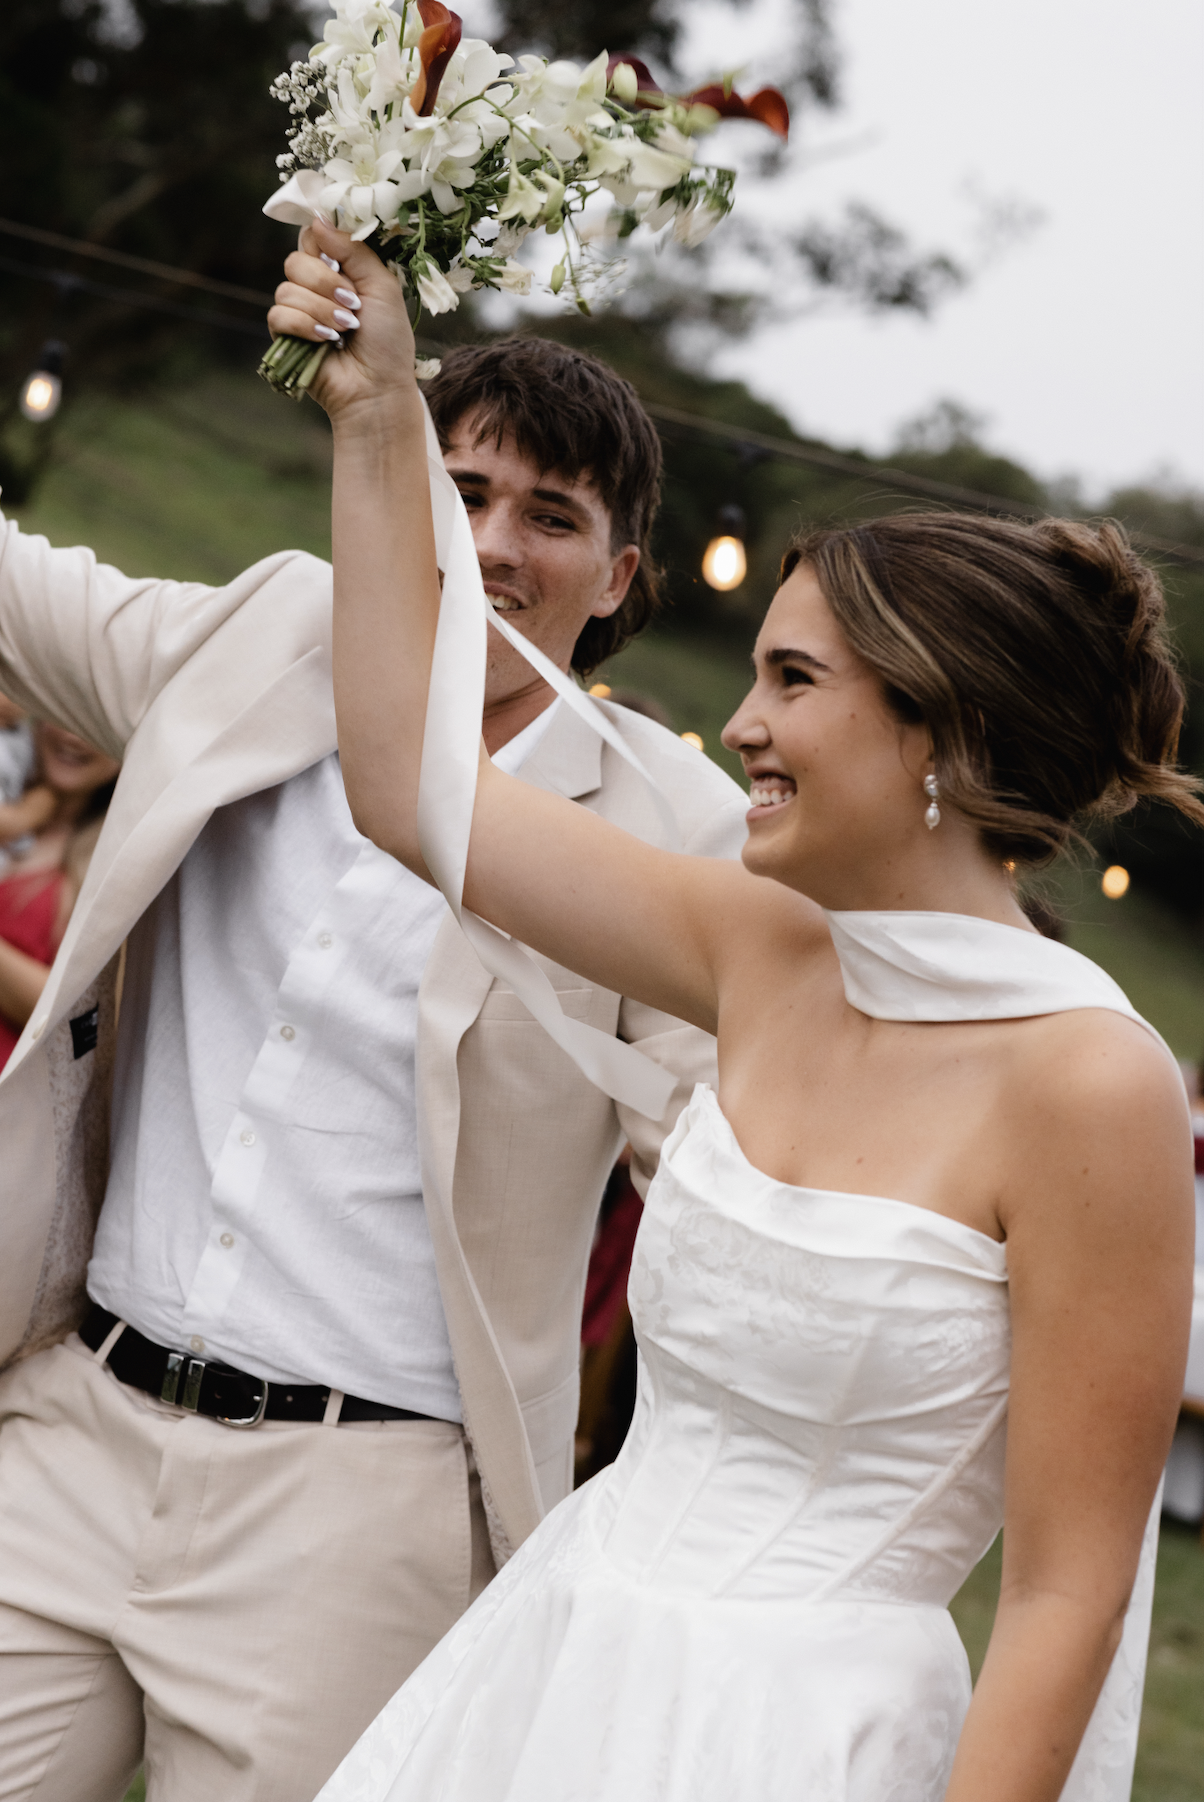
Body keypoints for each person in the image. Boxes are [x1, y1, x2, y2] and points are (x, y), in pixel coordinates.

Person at [271, 222, 1198, 1802]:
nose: (741, 724)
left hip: (800, 1733)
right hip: (564, 1652)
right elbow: (408, 789)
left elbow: (1065, 1594)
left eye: (791, 682)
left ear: (938, 735)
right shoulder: (758, 945)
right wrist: (376, 423)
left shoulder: (1093, 1085)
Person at [0, 326, 748, 1794]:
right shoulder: (270, 631)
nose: (491, 540)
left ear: (621, 579)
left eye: (552, 515)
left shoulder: (675, 824)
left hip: (362, 1509)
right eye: (458, 486)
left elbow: (729, 1153)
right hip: (71, 1427)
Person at [0, 721, 118, 1070]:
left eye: (93, 719)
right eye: (62, 712)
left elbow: (82, 1024)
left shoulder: (113, 867)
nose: (73, 734)